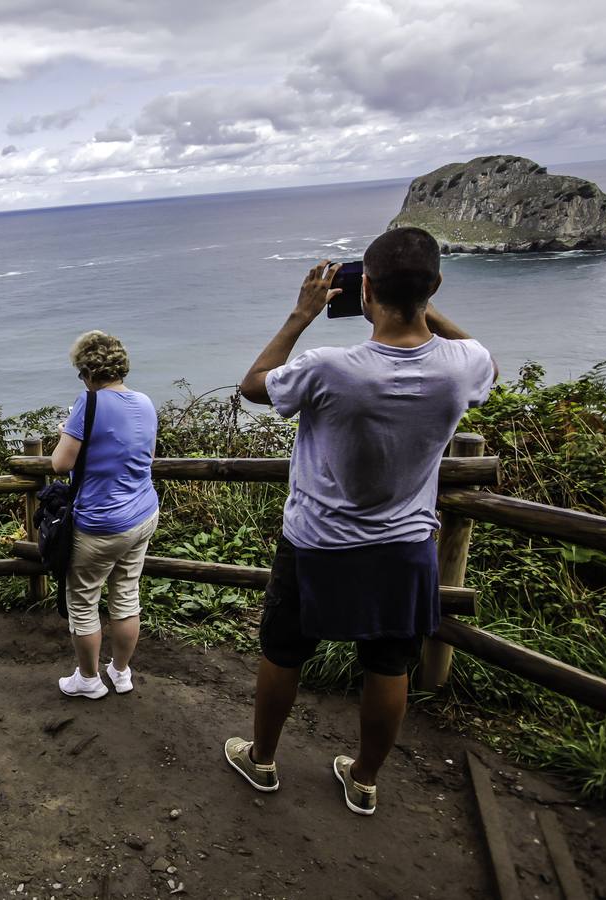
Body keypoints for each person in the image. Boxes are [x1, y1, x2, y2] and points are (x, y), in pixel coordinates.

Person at [223, 227, 496, 815]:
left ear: (363, 287)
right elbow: (483, 359)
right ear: (436, 286)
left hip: (317, 541)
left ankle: (263, 759)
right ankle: (365, 778)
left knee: (284, 650)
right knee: (388, 663)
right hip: (404, 546)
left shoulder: (330, 366)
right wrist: (421, 304)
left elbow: (251, 387)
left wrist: (301, 315)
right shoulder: (461, 366)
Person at [51, 331, 160, 699]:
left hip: (100, 523)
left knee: (82, 602)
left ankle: (88, 679)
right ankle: (122, 672)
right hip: (142, 514)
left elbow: (60, 463)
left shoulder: (89, 402)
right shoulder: (145, 402)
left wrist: (66, 431)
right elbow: (140, 456)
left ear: (87, 371)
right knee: (127, 596)